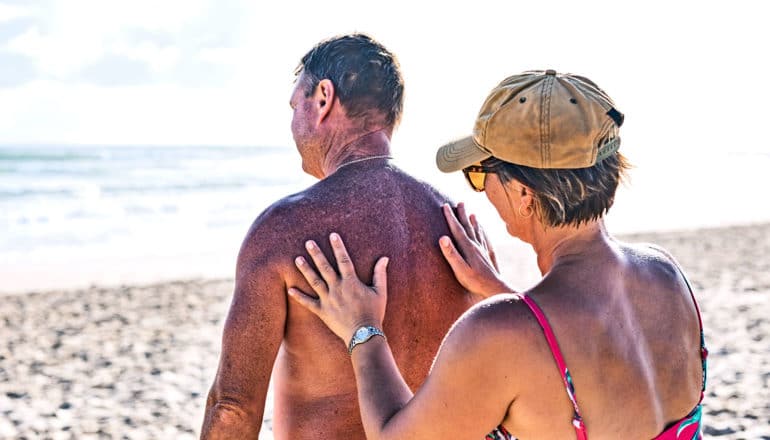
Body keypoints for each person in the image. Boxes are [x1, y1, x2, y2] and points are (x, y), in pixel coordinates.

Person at [288, 70, 707, 439]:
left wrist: (362, 329)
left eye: (479, 173)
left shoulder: (496, 333)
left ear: (524, 194)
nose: (481, 189)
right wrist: (498, 290)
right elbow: (592, 364)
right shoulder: (667, 275)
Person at [200, 34, 478, 439]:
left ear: (324, 98)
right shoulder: (458, 229)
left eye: (296, 105)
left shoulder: (285, 230)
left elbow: (234, 407)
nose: (293, 123)